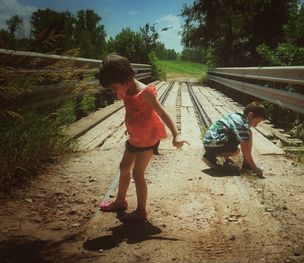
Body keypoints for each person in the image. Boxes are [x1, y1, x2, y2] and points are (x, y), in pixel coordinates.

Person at [97, 54, 187, 221]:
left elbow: (162, 112)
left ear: (126, 79)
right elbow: (133, 111)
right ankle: (120, 200)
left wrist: (176, 134)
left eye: (114, 87)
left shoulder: (144, 92)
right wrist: (130, 127)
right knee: (124, 167)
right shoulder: (125, 90)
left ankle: (141, 210)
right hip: (135, 137)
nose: (113, 91)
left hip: (147, 139)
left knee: (138, 174)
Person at [202, 101, 266, 177]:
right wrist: (255, 168)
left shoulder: (236, 116)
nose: (255, 126)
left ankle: (209, 155)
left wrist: (226, 158)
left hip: (208, 143)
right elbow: (245, 151)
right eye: (256, 122)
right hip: (214, 145)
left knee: (247, 132)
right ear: (250, 115)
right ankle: (246, 165)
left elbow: (226, 132)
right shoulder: (242, 124)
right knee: (237, 149)